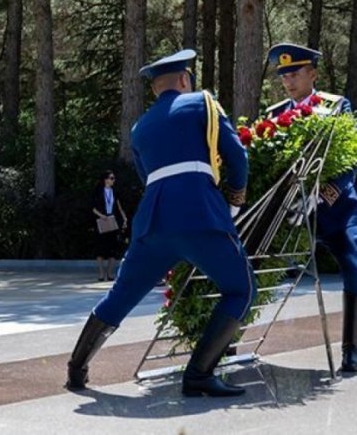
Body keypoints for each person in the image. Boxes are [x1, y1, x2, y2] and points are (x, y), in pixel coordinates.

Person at [65, 49, 257, 397]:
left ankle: (76, 369)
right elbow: (237, 157)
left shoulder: (140, 127)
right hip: (200, 215)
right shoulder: (203, 103)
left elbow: (146, 176)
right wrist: (234, 202)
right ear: (185, 80)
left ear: (155, 89)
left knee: (121, 296)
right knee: (241, 289)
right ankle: (199, 372)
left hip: (152, 223)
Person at [266, 43, 357, 373]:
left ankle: (352, 349)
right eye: (283, 76)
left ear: (313, 73)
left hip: (335, 213)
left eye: (294, 74)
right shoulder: (274, 115)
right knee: (249, 263)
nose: (288, 81)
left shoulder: (336, 107)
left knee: (355, 266)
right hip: (288, 214)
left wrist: (323, 193)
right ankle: (229, 342)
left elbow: (349, 159)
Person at [92, 170, 128, 281]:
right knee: (100, 247)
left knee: (113, 247)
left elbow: (118, 206)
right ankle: (101, 273)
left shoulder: (114, 191)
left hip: (112, 220)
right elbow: (93, 208)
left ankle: (110, 273)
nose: (113, 180)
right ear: (106, 179)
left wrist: (124, 218)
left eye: (114, 178)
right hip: (102, 220)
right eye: (111, 178)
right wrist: (102, 216)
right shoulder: (98, 191)